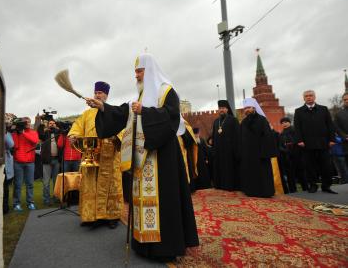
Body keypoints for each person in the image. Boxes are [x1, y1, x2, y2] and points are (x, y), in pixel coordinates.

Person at [86, 53, 199, 261]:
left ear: (150, 71)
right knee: (142, 201)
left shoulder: (166, 91)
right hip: (144, 157)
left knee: (165, 202)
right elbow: (124, 113)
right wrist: (102, 106)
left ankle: (165, 248)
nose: (136, 76)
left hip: (163, 156)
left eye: (139, 71)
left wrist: (145, 112)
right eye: (135, 72)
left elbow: (172, 117)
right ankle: (144, 244)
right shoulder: (140, 96)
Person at [68, 81, 123, 229]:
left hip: (109, 156)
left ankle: (112, 216)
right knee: (90, 185)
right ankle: (90, 216)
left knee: (111, 186)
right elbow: (77, 127)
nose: (97, 95)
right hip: (90, 156)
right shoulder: (86, 114)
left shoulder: (113, 111)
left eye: (100, 93)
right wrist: (73, 135)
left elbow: (122, 129)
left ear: (106, 95)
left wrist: (116, 137)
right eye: (96, 93)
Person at [294, 90, 337, 194]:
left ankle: (326, 186)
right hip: (307, 144)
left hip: (324, 143)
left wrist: (332, 139)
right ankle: (313, 185)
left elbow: (330, 125)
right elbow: (297, 127)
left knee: (326, 165)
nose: (309, 97)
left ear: (315, 97)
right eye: (306, 96)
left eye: (311, 95)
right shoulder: (298, 111)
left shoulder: (323, 109)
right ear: (303, 98)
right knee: (310, 166)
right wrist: (299, 140)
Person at [239, 98, 277, 198]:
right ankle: (251, 191)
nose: (247, 109)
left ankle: (265, 192)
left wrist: (264, 153)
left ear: (254, 108)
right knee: (250, 173)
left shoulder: (262, 120)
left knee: (262, 174)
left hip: (260, 153)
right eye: (245, 108)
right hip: (248, 154)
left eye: (249, 107)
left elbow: (267, 137)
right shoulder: (243, 122)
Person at [211, 100, 240, 191]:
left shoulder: (233, 120)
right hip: (218, 151)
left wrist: (235, 151)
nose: (221, 110)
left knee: (229, 168)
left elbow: (237, 136)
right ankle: (219, 185)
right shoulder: (216, 121)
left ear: (227, 109)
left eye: (223, 108)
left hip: (229, 151)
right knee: (219, 167)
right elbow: (214, 135)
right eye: (219, 108)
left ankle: (230, 186)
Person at [12, 117, 40, 211]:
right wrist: (17, 133)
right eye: (25, 122)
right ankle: (16, 204)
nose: (27, 123)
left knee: (30, 184)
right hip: (18, 162)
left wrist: (23, 133)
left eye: (28, 122)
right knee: (18, 184)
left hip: (30, 162)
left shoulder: (33, 132)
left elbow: (35, 141)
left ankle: (30, 203)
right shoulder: (16, 133)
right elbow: (14, 145)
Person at [38, 119, 61, 205]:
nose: (52, 125)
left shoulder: (58, 133)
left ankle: (56, 197)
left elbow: (63, 132)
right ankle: (46, 199)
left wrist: (57, 127)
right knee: (46, 181)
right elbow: (40, 134)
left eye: (53, 123)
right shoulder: (45, 133)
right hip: (47, 160)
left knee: (56, 181)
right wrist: (41, 125)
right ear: (47, 125)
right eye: (50, 123)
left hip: (56, 159)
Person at [334, 91, 348, 183]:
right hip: (346, 143)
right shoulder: (339, 114)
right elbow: (337, 128)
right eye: (345, 100)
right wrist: (344, 136)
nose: (347, 101)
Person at [3, 124, 15, 214]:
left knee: (5, 187)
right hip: (3, 163)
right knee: (5, 187)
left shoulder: (7, 133)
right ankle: (4, 208)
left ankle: (5, 207)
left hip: (5, 162)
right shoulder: (5, 133)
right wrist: (6, 132)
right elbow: (11, 144)